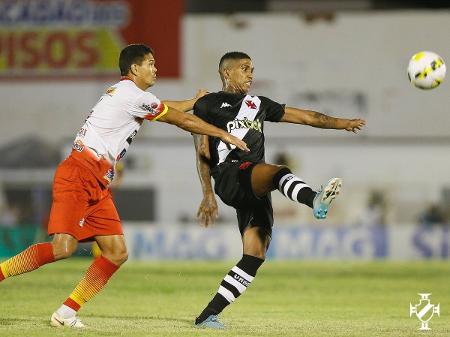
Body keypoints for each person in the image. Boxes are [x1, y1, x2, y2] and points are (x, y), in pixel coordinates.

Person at [0, 44, 249, 329]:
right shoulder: (131, 95)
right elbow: (179, 120)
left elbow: (168, 108)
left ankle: (66, 312)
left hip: (97, 181)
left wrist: (193, 100)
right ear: (135, 68)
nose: (156, 69)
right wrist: (222, 134)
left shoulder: (130, 95)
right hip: (79, 174)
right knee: (62, 248)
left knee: (116, 252)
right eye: (151, 64)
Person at [192, 51, 365, 329]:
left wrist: (342, 124)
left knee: (255, 255)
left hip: (254, 184)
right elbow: (201, 151)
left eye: (253, 69)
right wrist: (207, 193)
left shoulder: (258, 104)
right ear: (227, 73)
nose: (251, 74)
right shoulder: (208, 105)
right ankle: (314, 200)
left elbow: (308, 117)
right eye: (245, 68)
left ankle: (207, 316)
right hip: (231, 175)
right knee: (276, 172)